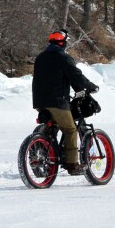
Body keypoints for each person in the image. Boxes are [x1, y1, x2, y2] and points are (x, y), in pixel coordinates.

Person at [31, 31, 95, 175]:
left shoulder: (41, 57)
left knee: (53, 126)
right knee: (70, 130)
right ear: (63, 43)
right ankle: (72, 165)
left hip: (40, 102)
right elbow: (76, 77)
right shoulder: (63, 57)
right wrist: (89, 87)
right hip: (57, 102)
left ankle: (47, 152)